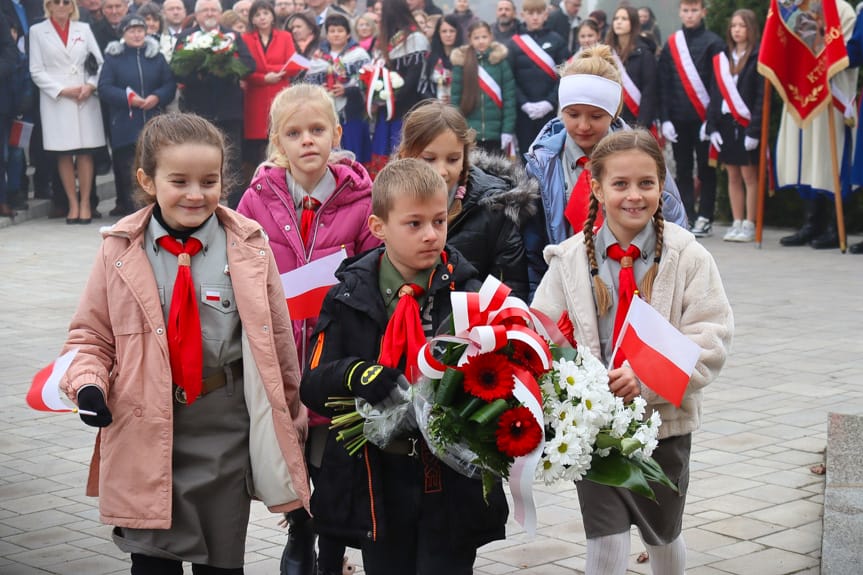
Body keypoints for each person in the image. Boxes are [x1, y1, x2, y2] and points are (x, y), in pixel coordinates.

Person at [60, 112, 310, 574]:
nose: (196, 194)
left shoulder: (250, 248)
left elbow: (279, 348)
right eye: (179, 181)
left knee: (221, 564)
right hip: (141, 427)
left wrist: (294, 430)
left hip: (222, 430)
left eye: (209, 181)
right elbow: (90, 335)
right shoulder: (119, 249)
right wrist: (88, 385)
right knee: (152, 564)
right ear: (147, 180)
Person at [531, 129, 733, 575]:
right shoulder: (567, 260)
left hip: (664, 426)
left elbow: (712, 336)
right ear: (597, 187)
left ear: (662, 186)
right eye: (620, 184)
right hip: (594, 430)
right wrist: (566, 384)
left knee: (663, 533)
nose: (634, 196)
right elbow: (539, 330)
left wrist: (645, 378)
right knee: (604, 541)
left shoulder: (688, 256)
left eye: (646, 183)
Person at [299, 157, 509, 575]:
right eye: (414, 224)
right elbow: (313, 383)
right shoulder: (349, 295)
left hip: (452, 481)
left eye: (439, 220)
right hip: (379, 480)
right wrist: (357, 374)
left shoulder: (470, 293)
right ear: (379, 227)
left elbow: (503, 374)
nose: (431, 235)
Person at [237, 82, 377, 575]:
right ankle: (298, 530)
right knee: (287, 444)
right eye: (294, 133)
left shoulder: (361, 198)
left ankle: (331, 543)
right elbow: (246, 262)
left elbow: (370, 265)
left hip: (334, 345)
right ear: (278, 140)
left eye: (317, 130)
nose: (307, 141)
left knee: (329, 452)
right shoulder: (257, 199)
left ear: (337, 133)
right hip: (280, 345)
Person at [523, 46, 687, 295]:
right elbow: (532, 250)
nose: (583, 125)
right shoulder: (542, 165)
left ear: (613, 113)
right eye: (573, 114)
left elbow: (676, 227)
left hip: (637, 289)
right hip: (566, 292)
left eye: (596, 116)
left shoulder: (643, 157)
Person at [396, 101, 533, 300]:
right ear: (406, 155)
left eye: (453, 159)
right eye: (429, 159)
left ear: (465, 157)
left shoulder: (494, 207)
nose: (441, 171)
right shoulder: (391, 202)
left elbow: (511, 287)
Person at [776, 0, 857, 250]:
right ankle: (812, 223)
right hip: (801, 93)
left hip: (831, 95)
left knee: (827, 159)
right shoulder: (795, 7)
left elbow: (850, 53)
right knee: (806, 160)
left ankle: (835, 227)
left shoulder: (841, 8)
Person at [29, 0, 105, 224]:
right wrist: (61, 90)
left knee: (85, 151)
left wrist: (90, 85)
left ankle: (85, 203)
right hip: (58, 99)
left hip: (84, 95)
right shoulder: (37, 31)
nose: (61, 6)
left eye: (66, 2)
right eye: (56, 2)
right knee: (63, 152)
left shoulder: (84, 28)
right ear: (49, 6)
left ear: (72, 6)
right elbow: (36, 69)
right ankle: (72, 203)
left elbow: (99, 63)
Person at [175, 0, 256, 209]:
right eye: (205, 10)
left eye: (213, 10)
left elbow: (249, 64)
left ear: (220, 14)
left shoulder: (232, 36)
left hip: (228, 109)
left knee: (233, 159)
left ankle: (237, 207)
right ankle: (202, 203)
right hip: (198, 111)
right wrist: (200, 74)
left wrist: (227, 68)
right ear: (196, 15)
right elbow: (176, 69)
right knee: (199, 157)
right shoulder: (187, 37)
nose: (209, 14)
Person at [657, 0, 724, 234]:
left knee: (706, 169)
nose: (690, 15)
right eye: (686, 11)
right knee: (683, 169)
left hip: (704, 120)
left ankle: (705, 216)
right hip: (677, 119)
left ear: (703, 12)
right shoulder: (672, 44)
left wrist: (712, 121)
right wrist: (664, 118)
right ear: (680, 12)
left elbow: (719, 85)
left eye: (694, 10)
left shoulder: (714, 43)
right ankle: (688, 215)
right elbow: (663, 83)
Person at [98, 14, 175, 216]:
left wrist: (157, 96)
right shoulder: (113, 57)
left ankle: (156, 212)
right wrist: (128, 99)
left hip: (153, 123)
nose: (137, 34)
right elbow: (104, 88)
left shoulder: (156, 56)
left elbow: (169, 84)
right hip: (125, 125)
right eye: (131, 30)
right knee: (128, 173)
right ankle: (133, 214)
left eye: (140, 30)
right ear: (123, 33)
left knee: (153, 169)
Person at [706, 9, 763, 243]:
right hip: (727, 124)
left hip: (747, 124)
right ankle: (736, 221)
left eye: (742, 25)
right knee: (732, 176)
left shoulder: (757, 57)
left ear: (751, 28)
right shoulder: (723, 58)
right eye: (734, 26)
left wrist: (755, 130)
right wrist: (712, 127)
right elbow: (715, 93)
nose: (737, 30)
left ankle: (750, 223)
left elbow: (761, 98)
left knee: (749, 176)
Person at [367, 0, 430, 177]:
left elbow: (413, 80)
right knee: (383, 161)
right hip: (385, 112)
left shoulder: (415, 39)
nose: (378, 17)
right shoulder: (384, 41)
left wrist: (389, 98)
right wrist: (374, 96)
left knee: (404, 159)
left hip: (406, 111)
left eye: (382, 13)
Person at [304, 12, 372, 163]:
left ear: (348, 34)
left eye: (340, 31)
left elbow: (368, 82)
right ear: (326, 34)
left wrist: (346, 90)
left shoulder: (359, 54)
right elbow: (308, 82)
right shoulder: (317, 56)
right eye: (332, 31)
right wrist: (319, 89)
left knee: (354, 155)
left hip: (352, 113)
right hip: (324, 113)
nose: (336, 35)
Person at [507, 0, 567, 158]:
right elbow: (509, 79)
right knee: (527, 155)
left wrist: (550, 102)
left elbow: (564, 74)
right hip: (523, 112)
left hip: (549, 110)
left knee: (549, 155)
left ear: (545, 15)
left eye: (539, 13)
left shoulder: (557, 40)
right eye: (531, 13)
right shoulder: (513, 44)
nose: (535, 17)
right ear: (522, 15)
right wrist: (524, 103)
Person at [242, 0, 296, 171]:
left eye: (266, 13)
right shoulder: (245, 38)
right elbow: (245, 68)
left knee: (279, 137)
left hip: (279, 92)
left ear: (273, 16)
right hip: (254, 97)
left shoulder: (285, 37)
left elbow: (293, 64)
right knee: (256, 145)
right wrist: (264, 78)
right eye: (257, 15)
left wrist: (269, 72)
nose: (262, 18)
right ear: (252, 19)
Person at [451, 20, 516, 155]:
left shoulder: (500, 63)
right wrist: (459, 130)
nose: (481, 41)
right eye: (476, 38)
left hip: (496, 134)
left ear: (491, 37)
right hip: (470, 134)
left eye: (484, 37)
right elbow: (455, 101)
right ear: (469, 39)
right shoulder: (461, 63)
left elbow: (509, 99)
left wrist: (507, 130)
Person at [605, 6, 657, 131]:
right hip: (610, 120)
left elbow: (649, 92)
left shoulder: (645, 54)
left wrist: (642, 125)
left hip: (635, 121)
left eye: (624, 18)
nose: (618, 22)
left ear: (633, 23)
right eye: (616, 18)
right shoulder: (606, 52)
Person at [424, 13, 462, 103]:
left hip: (459, 109)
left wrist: (455, 99)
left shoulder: (465, 56)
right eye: (444, 31)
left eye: (452, 31)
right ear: (438, 33)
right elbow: (424, 86)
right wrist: (433, 101)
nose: (448, 35)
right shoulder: (430, 57)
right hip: (435, 108)